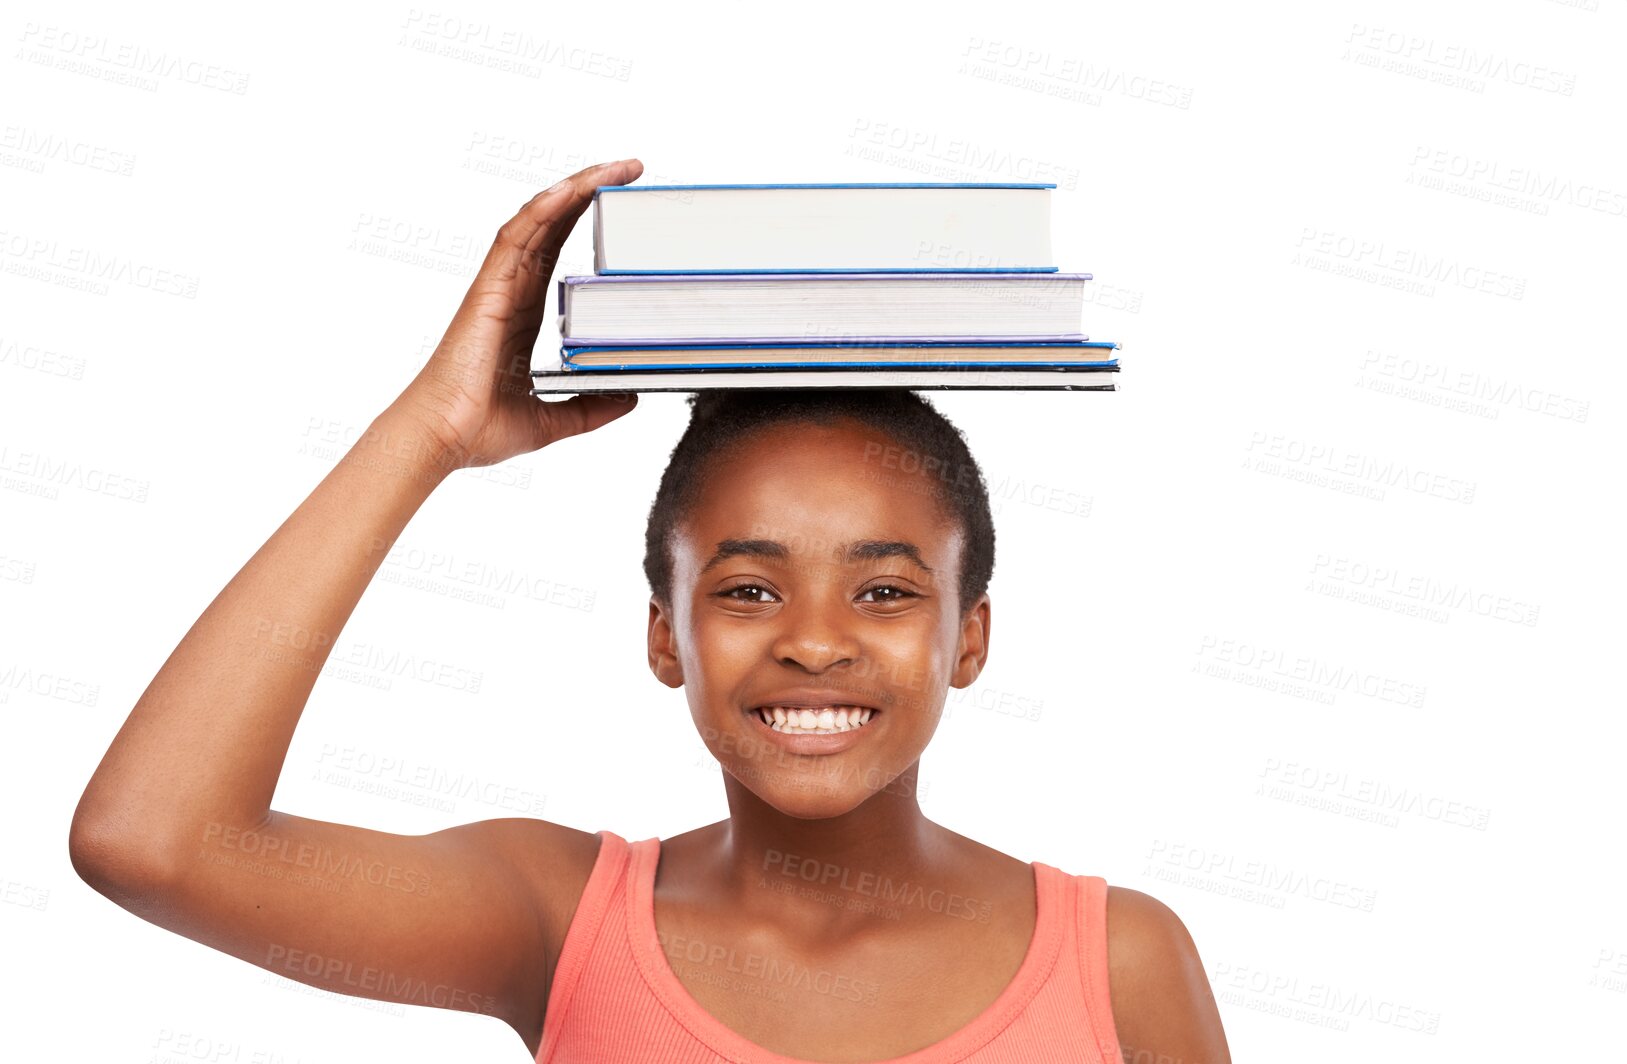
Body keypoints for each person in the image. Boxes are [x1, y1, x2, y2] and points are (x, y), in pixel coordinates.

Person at [68, 159, 1231, 1062]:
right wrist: (429, 432)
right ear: (664, 633)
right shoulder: (559, 920)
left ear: (968, 635)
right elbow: (149, 841)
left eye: (883, 589)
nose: (814, 638)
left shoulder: (1121, 958)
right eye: (747, 588)